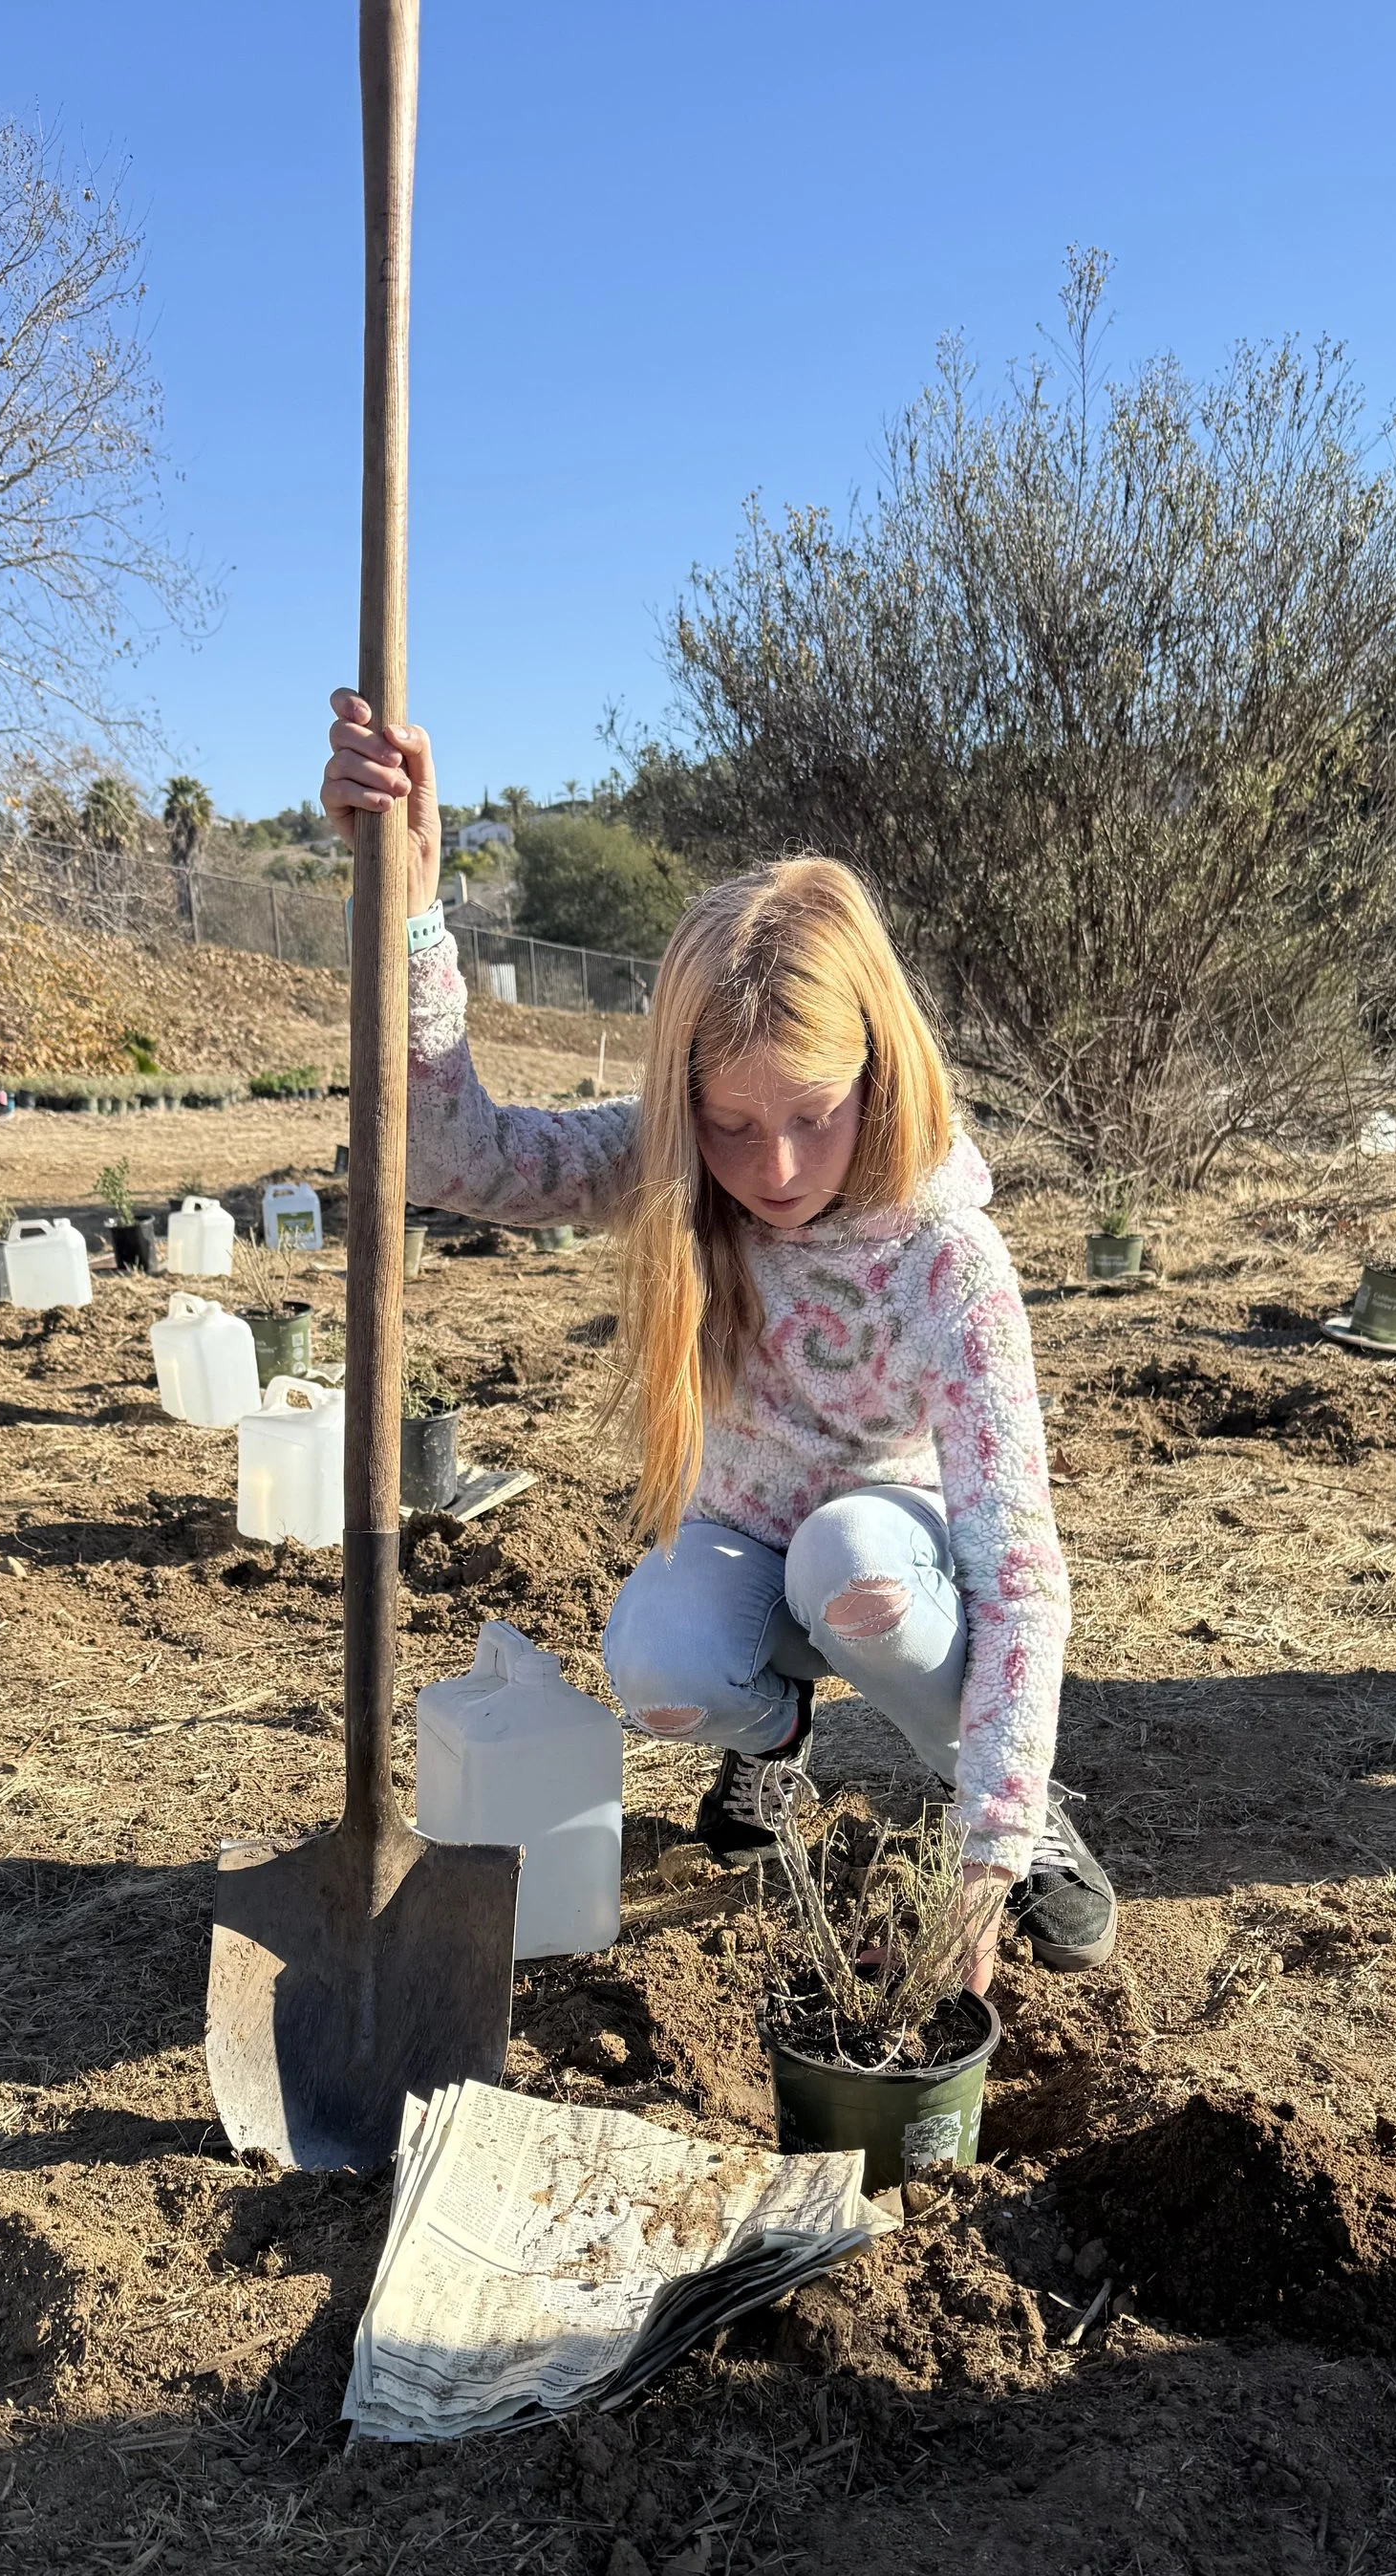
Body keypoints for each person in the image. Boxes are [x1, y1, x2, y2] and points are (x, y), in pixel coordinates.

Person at [322, 689, 1116, 1986]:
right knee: (658, 1670)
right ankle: (775, 1725)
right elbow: (452, 1155)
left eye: (811, 1112)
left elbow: (1021, 1572)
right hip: (738, 1530)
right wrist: (408, 909)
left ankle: (1029, 1821)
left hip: (888, 1555)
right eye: (729, 1124)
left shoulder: (944, 1260)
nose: (776, 1167)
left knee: (852, 1559)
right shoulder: (673, 1163)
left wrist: (987, 1847)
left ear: (880, 1069)